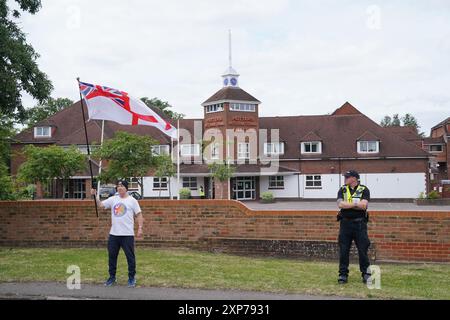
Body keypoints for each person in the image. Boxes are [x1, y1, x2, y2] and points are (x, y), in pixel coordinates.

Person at [90, 180, 144, 288]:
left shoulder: (132, 200)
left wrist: (140, 228)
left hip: (127, 234)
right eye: (118, 186)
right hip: (114, 234)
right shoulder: (113, 199)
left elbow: (139, 214)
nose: (119, 188)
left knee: (130, 257)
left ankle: (131, 278)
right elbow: (100, 205)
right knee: (112, 257)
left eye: (122, 186)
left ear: (126, 188)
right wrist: (95, 195)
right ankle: (112, 277)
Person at [336, 170, 371, 285]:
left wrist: (349, 205)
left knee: (362, 250)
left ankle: (366, 274)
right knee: (344, 251)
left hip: (359, 224)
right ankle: (342, 275)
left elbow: (364, 205)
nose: (345, 179)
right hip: (345, 224)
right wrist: (356, 204)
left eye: (347, 177)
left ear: (354, 178)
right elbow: (341, 204)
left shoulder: (364, 189)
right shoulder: (342, 189)